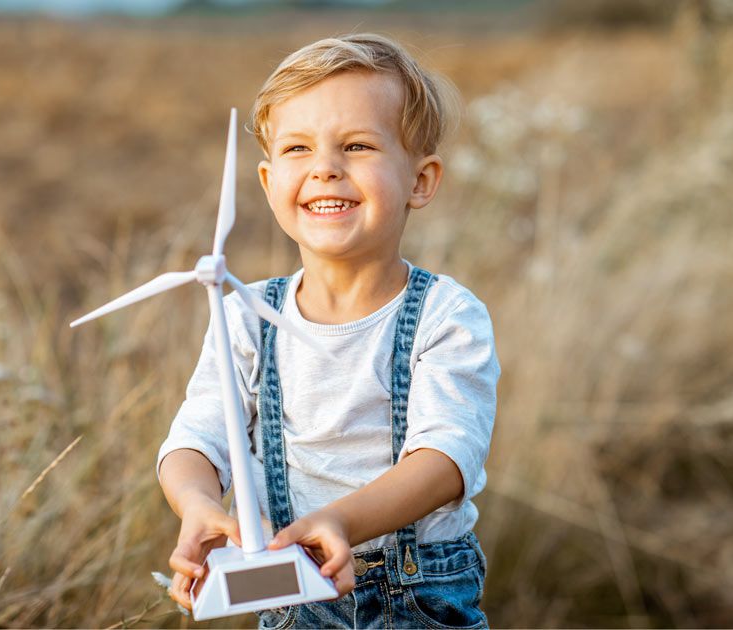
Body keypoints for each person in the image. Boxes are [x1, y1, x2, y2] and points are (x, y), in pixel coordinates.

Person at [156, 32, 499, 629]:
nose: (324, 169)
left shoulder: (446, 314)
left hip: (417, 593)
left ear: (421, 180)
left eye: (357, 145)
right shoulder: (243, 313)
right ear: (267, 183)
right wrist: (198, 504)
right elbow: (197, 438)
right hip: (290, 593)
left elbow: (447, 457)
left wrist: (343, 520)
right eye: (297, 149)